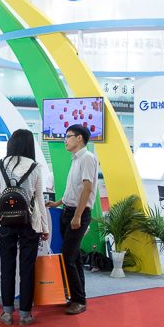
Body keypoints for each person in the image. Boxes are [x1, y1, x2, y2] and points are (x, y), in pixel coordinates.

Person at [0, 129, 50, 326]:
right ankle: (25, 314)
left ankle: (7, 312)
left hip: (5, 222)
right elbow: (39, 200)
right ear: (29, 145)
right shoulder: (35, 167)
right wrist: (44, 227)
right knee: (27, 268)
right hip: (29, 224)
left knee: (6, 267)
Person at [45, 124, 98, 315]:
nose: (65, 140)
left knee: (68, 257)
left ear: (79, 138)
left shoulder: (87, 158)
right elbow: (73, 190)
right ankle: (77, 297)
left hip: (78, 214)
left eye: (68, 136)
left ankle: (79, 300)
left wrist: (77, 216)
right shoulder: (76, 159)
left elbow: (87, 189)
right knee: (73, 257)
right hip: (68, 211)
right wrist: (58, 202)